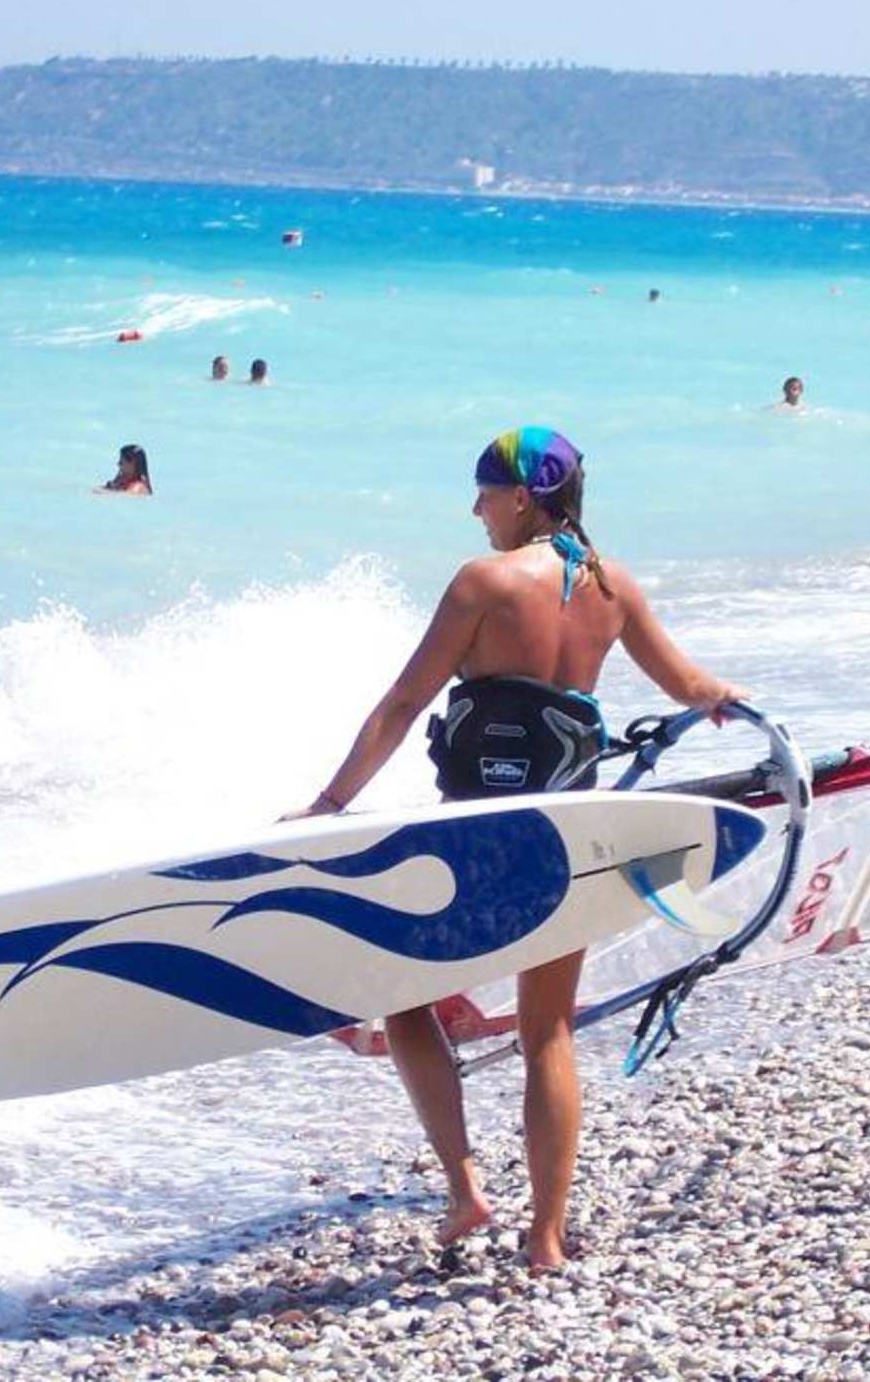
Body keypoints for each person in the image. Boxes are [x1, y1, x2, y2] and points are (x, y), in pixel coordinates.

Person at [284, 427, 743, 1269]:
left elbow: (402, 703)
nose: (476, 509)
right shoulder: (613, 587)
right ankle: (547, 1237)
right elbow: (687, 684)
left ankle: (465, 1191)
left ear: (525, 497)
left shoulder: (483, 583)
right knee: (549, 1033)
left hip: (477, 845)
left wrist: (328, 804)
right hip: (570, 844)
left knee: (406, 1001)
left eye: (486, 493)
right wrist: (726, 700)